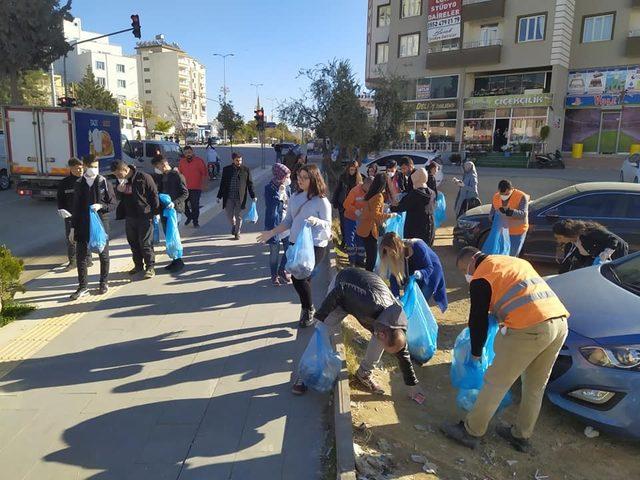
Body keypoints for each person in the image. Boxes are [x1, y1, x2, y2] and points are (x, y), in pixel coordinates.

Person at [441, 247, 569, 452]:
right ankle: (521, 436)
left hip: (530, 327)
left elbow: (477, 320)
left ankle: (471, 431)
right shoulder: (512, 262)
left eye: (466, 270)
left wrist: (475, 352)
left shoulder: (482, 276)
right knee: (535, 386)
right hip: (559, 324)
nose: (468, 276)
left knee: (495, 382)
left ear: (474, 260)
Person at [292, 267, 423, 398]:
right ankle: (305, 374)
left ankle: (363, 374)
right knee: (323, 329)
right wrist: (321, 315)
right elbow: (341, 288)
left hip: (364, 297)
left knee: (379, 342)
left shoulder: (396, 325)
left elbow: (401, 352)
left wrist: (412, 384)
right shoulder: (370, 303)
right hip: (342, 288)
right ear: (383, 333)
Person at [257, 164, 332, 327]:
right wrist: (271, 233)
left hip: (316, 245)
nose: (300, 180)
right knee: (299, 277)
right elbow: (288, 221)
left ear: (314, 179)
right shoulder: (295, 197)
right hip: (295, 243)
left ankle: (308, 310)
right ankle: (308, 306)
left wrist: (316, 221)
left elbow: (328, 225)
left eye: (305, 177)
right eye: (299, 177)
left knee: (300, 277)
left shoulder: (321, 201)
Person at [69, 156, 115, 300]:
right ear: (85, 166)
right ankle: (82, 287)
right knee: (81, 256)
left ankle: (103, 282)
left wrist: (101, 206)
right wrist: (72, 228)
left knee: (103, 254)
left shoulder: (104, 182)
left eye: (96, 166)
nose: (95, 169)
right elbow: (75, 207)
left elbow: (113, 204)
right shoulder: (79, 183)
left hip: (101, 223)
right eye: (92, 166)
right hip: (82, 225)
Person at [113, 161, 160, 279]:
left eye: (118, 174)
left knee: (145, 243)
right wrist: (119, 190)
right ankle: (138, 265)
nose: (117, 177)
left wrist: (156, 213)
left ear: (125, 170)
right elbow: (117, 198)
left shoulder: (143, 177)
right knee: (133, 242)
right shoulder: (121, 181)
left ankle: (150, 267)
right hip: (130, 216)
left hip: (145, 215)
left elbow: (154, 194)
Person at [378, 233, 447, 312]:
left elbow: (429, 267)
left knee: (420, 302)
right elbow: (394, 277)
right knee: (409, 300)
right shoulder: (393, 256)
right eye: (386, 251)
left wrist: (421, 273)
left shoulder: (418, 246)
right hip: (413, 275)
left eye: (390, 251)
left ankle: (419, 322)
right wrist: (396, 296)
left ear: (397, 248)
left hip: (431, 274)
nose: (389, 254)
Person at [151, 156, 189, 272]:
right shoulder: (162, 177)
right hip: (164, 210)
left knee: (173, 235)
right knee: (168, 236)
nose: (157, 169)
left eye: (157, 166)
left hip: (174, 210)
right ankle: (174, 260)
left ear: (163, 164)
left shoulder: (177, 175)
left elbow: (185, 193)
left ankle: (179, 261)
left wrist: (174, 203)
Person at [553, 219, 629, 273]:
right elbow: (567, 261)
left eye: (560, 237)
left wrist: (605, 254)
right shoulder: (570, 242)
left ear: (569, 234)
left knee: (615, 274)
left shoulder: (589, 231)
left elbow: (613, 240)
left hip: (616, 249)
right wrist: (560, 276)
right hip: (596, 254)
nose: (559, 240)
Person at [356, 173, 395, 272]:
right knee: (372, 257)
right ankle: (368, 278)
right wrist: (389, 215)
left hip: (364, 228)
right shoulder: (379, 196)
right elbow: (375, 214)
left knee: (369, 255)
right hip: (370, 229)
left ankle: (367, 275)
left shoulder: (371, 193)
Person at [390, 168, 435, 246]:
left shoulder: (414, 194)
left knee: (414, 251)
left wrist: (390, 207)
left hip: (415, 228)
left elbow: (401, 207)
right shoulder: (432, 193)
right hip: (429, 227)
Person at [217, 152, 256, 240]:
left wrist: (253, 195)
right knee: (229, 215)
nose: (239, 162)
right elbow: (222, 184)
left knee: (238, 216)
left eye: (240, 160)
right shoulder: (226, 169)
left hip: (240, 198)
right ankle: (234, 225)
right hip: (229, 197)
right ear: (233, 160)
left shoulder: (246, 170)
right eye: (237, 160)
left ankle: (237, 232)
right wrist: (219, 196)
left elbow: (250, 184)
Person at [264, 163, 292, 285]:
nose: (288, 179)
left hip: (286, 224)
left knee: (290, 250)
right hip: (274, 225)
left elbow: (291, 203)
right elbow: (271, 207)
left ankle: (282, 270)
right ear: (280, 176)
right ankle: (274, 275)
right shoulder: (269, 188)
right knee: (274, 253)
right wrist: (279, 195)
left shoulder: (288, 188)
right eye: (286, 177)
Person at [490, 180, 530, 257]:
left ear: (511, 189)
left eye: (506, 194)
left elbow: (523, 214)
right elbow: (491, 214)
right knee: (501, 255)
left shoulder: (521, 196)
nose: (503, 196)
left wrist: (509, 211)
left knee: (512, 256)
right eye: (501, 194)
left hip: (517, 232)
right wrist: (496, 216)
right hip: (502, 232)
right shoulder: (496, 197)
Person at [57, 158, 84, 272]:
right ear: (71, 169)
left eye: (81, 168)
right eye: (77, 168)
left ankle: (87, 259)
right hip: (70, 216)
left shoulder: (87, 181)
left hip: (85, 215)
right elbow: (60, 200)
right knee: (71, 239)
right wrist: (61, 210)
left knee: (85, 238)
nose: (80, 170)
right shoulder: (64, 183)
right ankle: (72, 261)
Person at [332, 161, 362, 249]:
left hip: (353, 206)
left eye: (353, 170)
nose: (352, 171)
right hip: (343, 204)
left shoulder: (359, 179)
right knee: (343, 224)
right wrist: (335, 201)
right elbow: (337, 189)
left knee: (353, 225)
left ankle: (352, 242)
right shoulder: (343, 177)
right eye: (350, 169)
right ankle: (344, 241)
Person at [342, 177, 371, 267]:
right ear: (365, 184)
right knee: (350, 240)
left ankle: (360, 260)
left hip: (362, 220)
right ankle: (352, 261)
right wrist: (356, 211)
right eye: (369, 187)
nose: (370, 189)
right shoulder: (355, 191)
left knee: (361, 241)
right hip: (350, 218)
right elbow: (346, 204)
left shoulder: (369, 192)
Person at [178, 145, 207, 228]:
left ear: (192, 152)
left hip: (196, 188)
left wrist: (205, 185)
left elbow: (204, 174)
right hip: (184, 188)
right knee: (182, 205)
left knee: (195, 206)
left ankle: (195, 221)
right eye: (186, 153)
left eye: (189, 152)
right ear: (184, 154)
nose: (188, 154)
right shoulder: (182, 162)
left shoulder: (199, 161)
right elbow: (179, 174)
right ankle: (189, 216)